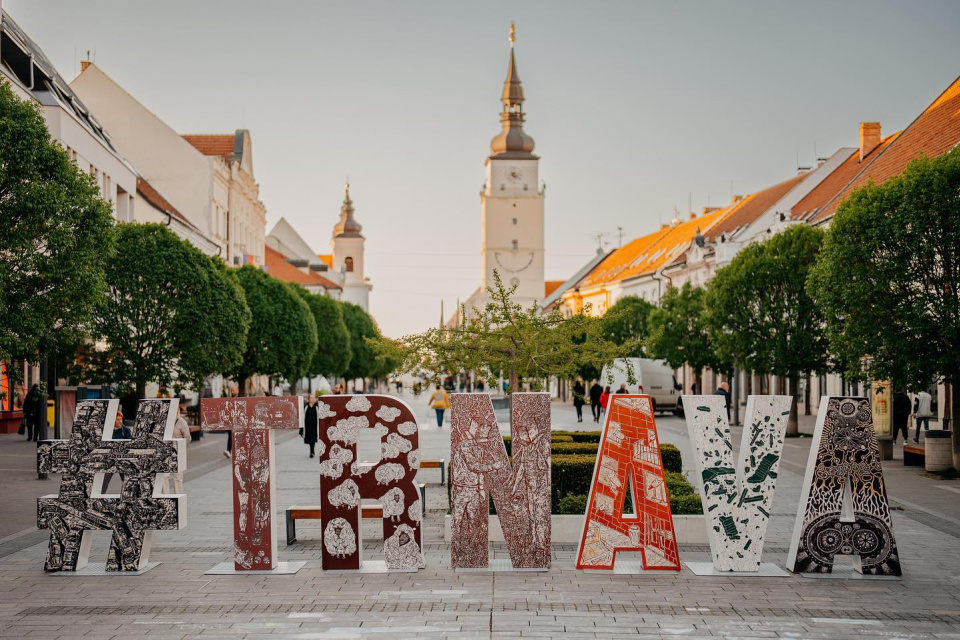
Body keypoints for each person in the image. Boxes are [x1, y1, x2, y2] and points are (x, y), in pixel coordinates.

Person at [101, 410, 132, 493]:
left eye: (121, 419)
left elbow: (130, 445)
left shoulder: (126, 430)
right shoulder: (107, 430)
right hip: (110, 459)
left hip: (122, 459)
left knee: (127, 482)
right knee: (104, 482)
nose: (120, 421)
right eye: (117, 419)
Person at [163, 404, 190, 494]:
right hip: (165, 452)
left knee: (177, 477)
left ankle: (178, 498)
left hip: (177, 452)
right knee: (164, 476)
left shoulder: (181, 422)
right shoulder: (163, 421)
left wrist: (181, 447)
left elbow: (188, 438)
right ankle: (165, 498)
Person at [224, 385, 239, 458]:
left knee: (237, 436)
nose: (232, 392)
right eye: (231, 391)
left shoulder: (241, 398)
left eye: (233, 390)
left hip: (238, 421)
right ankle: (228, 451)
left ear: (237, 390)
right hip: (231, 420)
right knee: (230, 436)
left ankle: (236, 451)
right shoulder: (229, 399)